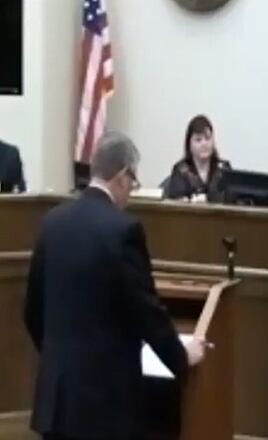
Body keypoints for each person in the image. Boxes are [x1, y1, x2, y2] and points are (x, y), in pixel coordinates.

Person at [24, 132, 208, 440]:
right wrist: (181, 355)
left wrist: (61, 361)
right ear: (122, 176)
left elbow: (32, 310)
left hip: (56, 403)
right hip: (104, 408)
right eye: (133, 183)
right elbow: (147, 313)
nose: (130, 193)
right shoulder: (123, 231)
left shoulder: (52, 222)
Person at [164, 115, 231, 202]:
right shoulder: (180, 170)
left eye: (207, 138)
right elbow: (176, 203)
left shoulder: (224, 168)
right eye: (198, 140)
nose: (204, 144)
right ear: (189, 144)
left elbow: (230, 200)